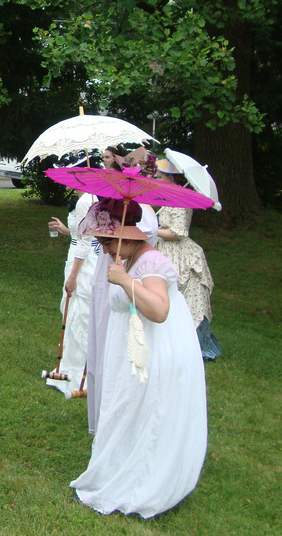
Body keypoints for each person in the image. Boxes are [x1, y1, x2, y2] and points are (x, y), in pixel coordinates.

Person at [72, 197, 207, 518]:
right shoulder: (125, 258)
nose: (104, 249)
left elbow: (159, 310)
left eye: (107, 241)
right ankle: (119, 466)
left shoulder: (152, 262)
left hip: (157, 351)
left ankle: (145, 479)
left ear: (128, 235)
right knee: (125, 408)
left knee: (145, 411)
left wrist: (126, 281)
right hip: (132, 346)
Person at [154, 159, 221, 360]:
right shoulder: (169, 197)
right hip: (165, 249)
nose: (156, 180)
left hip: (180, 254)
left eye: (159, 177)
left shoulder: (180, 199)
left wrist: (153, 230)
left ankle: (197, 347)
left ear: (170, 177)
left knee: (189, 300)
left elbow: (178, 232)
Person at [44, 155, 100, 396]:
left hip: (84, 263)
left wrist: (74, 275)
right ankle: (71, 365)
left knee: (80, 312)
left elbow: (86, 242)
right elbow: (80, 235)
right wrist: (66, 231)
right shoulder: (85, 199)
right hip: (79, 255)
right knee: (75, 310)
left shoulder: (86, 201)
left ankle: (83, 373)